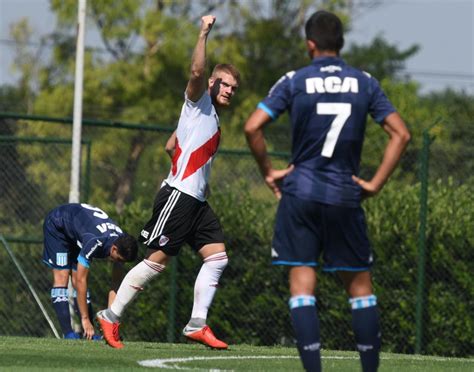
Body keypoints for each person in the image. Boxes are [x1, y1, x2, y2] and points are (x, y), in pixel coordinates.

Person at [244, 10, 410, 372]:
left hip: (300, 192)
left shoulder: (294, 80)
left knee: (302, 284)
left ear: (310, 44)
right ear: (341, 44)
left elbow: (252, 126)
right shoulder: (365, 82)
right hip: (344, 195)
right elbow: (401, 134)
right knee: (360, 290)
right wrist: (375, 183)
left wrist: (270, 172)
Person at [96, 14, 240, 350]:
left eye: (234, 87)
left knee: (218, 258)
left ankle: (196, 324)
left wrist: (182, 162)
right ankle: (111, 316)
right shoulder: (198, 100)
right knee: (156, 262)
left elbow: (169, 145)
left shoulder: (209, 117)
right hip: (180, 196)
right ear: (211, 84)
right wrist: (204, 33)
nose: (230, 91)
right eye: (225, 84)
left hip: (195, 202)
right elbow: (195, 72)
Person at [42, 203, 138, 340]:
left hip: (76, 231)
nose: (120, 264)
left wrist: (109, 323)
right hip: (58, 226)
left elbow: (116, 283)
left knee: (76, 279)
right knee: (62, 277)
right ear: (114, 249)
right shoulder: (95, 242)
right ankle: (68, 334)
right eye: (120, 260)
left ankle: (88, 334)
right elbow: (82, 281)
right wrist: (85, 318)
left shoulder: (121, 242)